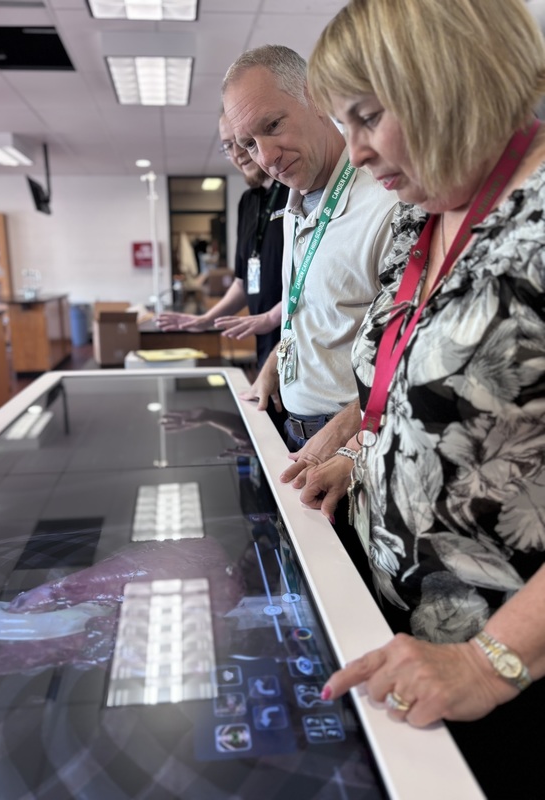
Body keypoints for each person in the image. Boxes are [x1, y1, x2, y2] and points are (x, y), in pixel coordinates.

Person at [306, 1, 545, 796]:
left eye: (367, 116)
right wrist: (364, 456)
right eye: (343, 126)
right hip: (399, 634)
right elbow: (412, 395)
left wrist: (490, 661)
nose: (356, 151)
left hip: (504, 676)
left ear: (448, 79)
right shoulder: (425, 215)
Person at [221, 45, 398, 477]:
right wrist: (275, 362)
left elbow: (410, 357)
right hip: (295, 432)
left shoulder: (388, 202)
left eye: (273, 125)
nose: (266, 157)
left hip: (355, 450)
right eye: (248, 144)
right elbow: (310, 309)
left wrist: (346, 435)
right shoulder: (292, 202)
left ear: (315, 96)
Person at [157, 113, 287, 370]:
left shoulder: (295, 192)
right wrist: (206, 320)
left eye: (242, 141)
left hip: (296, 336)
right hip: (264, 340)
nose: (237, 153)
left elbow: (315, 279)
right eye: (228, 145)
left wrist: (273, 317)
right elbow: (243, 282)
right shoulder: (248, 202)